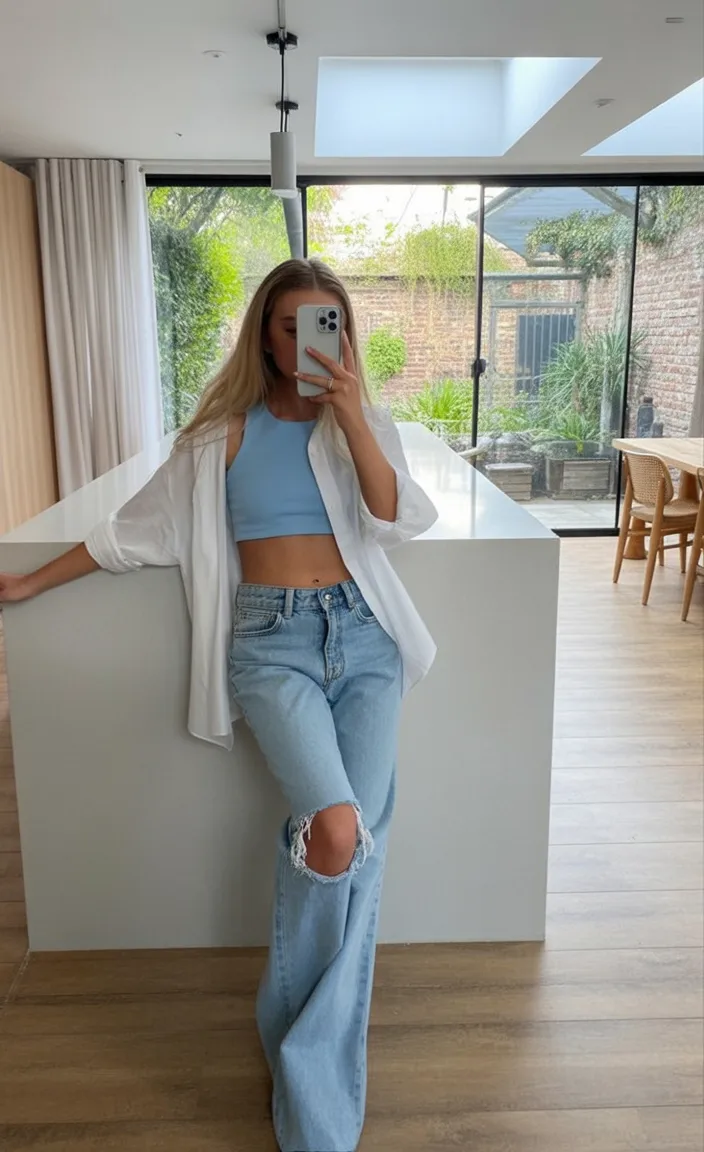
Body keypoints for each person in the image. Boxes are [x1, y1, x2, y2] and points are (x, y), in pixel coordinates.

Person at [0, 258, 438, 1152]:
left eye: (326, 324)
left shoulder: (364, 425)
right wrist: (29, 583)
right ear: (265, 337)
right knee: (338, 835)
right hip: (271, 643)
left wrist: (354, 416)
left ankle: (299, 1057)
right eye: (291, 325)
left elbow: (395, 518)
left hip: (365, 640)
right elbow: (130, 533)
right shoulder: (217, 440)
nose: (309, 342)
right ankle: (313, 1090)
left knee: (352, 851)